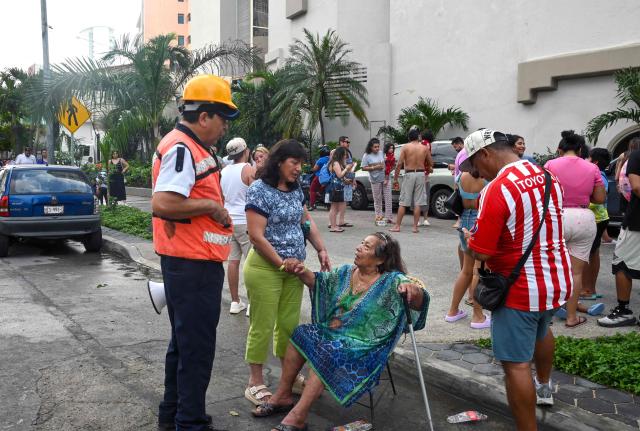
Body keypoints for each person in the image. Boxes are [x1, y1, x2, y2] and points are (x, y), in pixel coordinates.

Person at [251, 233, 428, 431]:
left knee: (328, 351)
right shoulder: (346, 272)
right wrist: (300, 270)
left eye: (366, 246)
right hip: (337, 333)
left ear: (380, 259)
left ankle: (298, 416)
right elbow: (319, 282)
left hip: (366, 343)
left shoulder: (392, 281)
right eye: (361, 242)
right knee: (301, 333)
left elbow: (419, 300)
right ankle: (283, 395)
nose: (359, 247)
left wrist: (413, 290)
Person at [461, 129, 572, 431]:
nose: (475, 172)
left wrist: (470, 240)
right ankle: (545, 385)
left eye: (474, 164)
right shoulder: (548, 176)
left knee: (516, 366)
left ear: (485, 153)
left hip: (519, 289)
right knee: (543, 329)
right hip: (555, 281)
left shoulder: (497, 190)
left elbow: (482, 253)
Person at [151, 74, 238, 431]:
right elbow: (163, 203)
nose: (223, 128)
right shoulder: (184, 149)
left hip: (189, 263)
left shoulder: (188, 146)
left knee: (184, 346)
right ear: (204, 116)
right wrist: (211, 208)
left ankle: (175, 416)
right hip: (192, 266)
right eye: (223, 119)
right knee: (196, 350)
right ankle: (190, 423)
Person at [243, 139, 330, 407]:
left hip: (295, 270)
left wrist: (320, 249)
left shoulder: (295, 189)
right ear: (279, 162)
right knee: (263, 325)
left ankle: (289, 378)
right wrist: (282, 262)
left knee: (289, 327)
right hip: (265, 268)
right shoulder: (259, 190)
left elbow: (305, 221)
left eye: (301, 163)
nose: (298, 168)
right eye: (294, 162)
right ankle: (255, 382)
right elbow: (256, 236)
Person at [545, 131, 605, 328]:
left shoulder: (550, 165)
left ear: (560, 150)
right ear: (580, 149)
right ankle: (571, 317)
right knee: (576, 273)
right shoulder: (592, 167)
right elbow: (599, 198)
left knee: (549, 267)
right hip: (583, 218)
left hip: (555, 217)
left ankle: (545, 317)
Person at [598, 145, 640, 327]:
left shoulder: (637, 156)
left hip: (636, 222)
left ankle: (623, 311)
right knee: (622, 263)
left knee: (622, 263)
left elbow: (636, 186)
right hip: (635, 220)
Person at [445, 170, 490, 329]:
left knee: (466, 270)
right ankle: (478, 316)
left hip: (464, 220)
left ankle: (452, 311)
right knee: (478, 270)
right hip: (480, 222)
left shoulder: (461, 176)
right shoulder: (487, 177)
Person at [221, 137, 256, 315]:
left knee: (233, 262)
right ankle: (252, 303)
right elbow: (256, 195)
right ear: (246, 151)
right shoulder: (248, 169)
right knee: (251, 263)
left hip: (229, 221)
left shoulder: (224, 171)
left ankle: (235, 302)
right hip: (245, 221)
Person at [582, 148, 611, 300]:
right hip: (600, 218)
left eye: (588, 158)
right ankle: (590, 288)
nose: (585, 160)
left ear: (595, 162)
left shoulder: (598, 175)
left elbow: (600, 198)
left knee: (587, 255)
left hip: (596, 219)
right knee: (593, 254)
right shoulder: (602, 175)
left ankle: (587, 289)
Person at [390, 127, 431, 233]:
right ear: (418, 137)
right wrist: (429, 168)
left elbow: (399, 164)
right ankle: (415, 227)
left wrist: (395, 178)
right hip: (421, 174)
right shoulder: (424, 148)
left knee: (403, 202)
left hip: (409, 173)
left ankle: (397, 226)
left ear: (409, 137)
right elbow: (431, 163)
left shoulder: (406, 147)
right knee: (418, 202)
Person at [327, 147, 353, 232]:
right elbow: (339, 175)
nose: (345, 156)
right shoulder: (335, 163)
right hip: (336, 188)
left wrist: (346, 180)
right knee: (334, 207)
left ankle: (334, 225)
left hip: (338, 187)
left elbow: (340, 177)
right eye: (344, 154)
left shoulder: (337, 163)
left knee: (336, 207)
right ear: (340, 154)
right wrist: (346, 168)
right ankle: (333, 226)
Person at [361, 138, 386, 223]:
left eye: (378, 146)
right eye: (375, 147)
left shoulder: (381, 153)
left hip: (383, 178)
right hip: (375, 179)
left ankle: (382, 216)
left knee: (384, 197)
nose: (377, 148)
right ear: (371, 147)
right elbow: (363, 168)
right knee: (377, 198)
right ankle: (378, 216)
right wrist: (374, 167)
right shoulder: (366, 155)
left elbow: (384, 163)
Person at [332, 136, 354, 227]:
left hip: (345, 181)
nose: (348, 143)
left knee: (343, 201)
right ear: (341, 142)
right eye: (346, 141)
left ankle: (340, 221)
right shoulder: (335, 153)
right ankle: (332, 224)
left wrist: (351, 179)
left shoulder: (347, 153)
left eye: (349, 142)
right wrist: (346, 169)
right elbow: (336, 171)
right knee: (335, 205)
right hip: (337, 184)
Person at [448, 137, 465, 231]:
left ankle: (459, 221)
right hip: (459, 180)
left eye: (455, 146)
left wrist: (457, 181)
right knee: (459, 201)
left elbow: (463, 169)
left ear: (459, 144)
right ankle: (459, 220)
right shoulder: (461, 153)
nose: (455, 149)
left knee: (460, 201)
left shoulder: (463, 153)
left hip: (461, 182)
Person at [419, 129, 435, 226]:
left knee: (418, 196)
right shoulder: (428, 144)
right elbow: (428, 159)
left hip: (420, 171)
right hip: (425, 172)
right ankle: (425, 218)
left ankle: (418, 219)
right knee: (425, 195)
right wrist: (430, 167)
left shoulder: (422, 143)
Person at [308, 146, 330, 210]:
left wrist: (310, 170)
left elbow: (315, 169)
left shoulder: (321, 159)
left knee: (312, 189)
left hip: (319, 177)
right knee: (327, 190)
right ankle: (328, 205)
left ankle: (312, 205)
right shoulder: (330, 159)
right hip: (328, 178)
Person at [383, 143, 396, 223]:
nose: (391, 149)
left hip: (387, 177)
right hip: (382, 177)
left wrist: (388, 174)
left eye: (392, 148)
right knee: (380, 198)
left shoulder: (392, 156)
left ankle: (389, 217)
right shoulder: (384, 155)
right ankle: (383, 216)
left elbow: (392, 166)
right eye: (390, 148)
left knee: (388, 198)